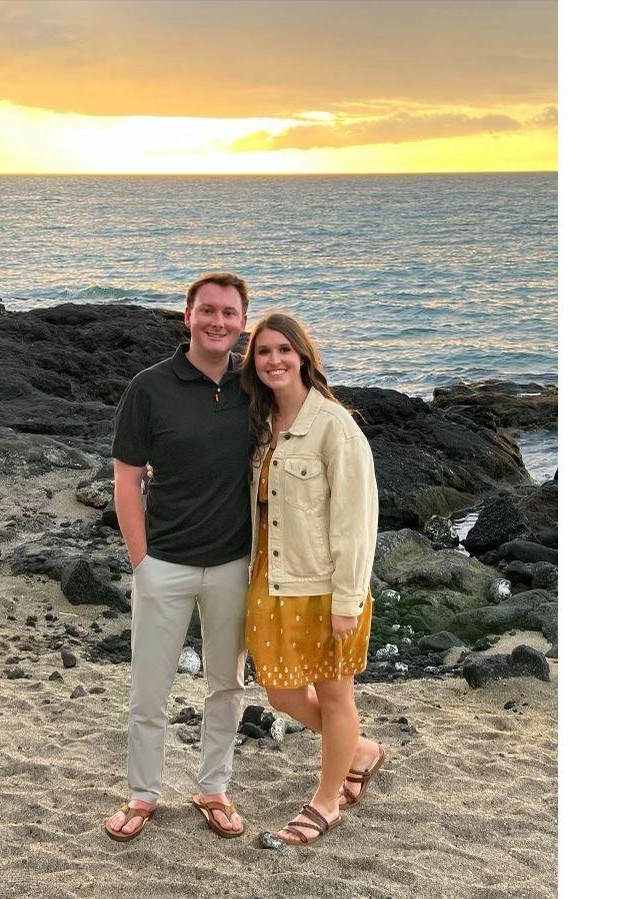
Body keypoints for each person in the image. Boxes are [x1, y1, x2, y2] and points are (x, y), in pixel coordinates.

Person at [104, 272, 253, 842]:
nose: (218, 321)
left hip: (235, 563)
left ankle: (213, 788)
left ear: (243, 322)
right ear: (187, 316)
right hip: (163, 563)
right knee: (149, 688)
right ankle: (142, 794)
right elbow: (126, 479)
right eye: (207, 310)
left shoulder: (255, 385)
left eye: (229, 312)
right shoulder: (149, 387)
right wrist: (140, 560)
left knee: (227, 685)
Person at [240, 311, 385, 846]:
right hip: (271, 579)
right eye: (263, 351)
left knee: (334, 693)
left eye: (284, 349)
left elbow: (357, 520)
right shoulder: (260, 424)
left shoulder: (334, 426)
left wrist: (348, 599)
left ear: (303, 356)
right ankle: (360, 751)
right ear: (253, 363)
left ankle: (326, 802)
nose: (274, 360)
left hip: (325, 588)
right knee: (280, 692)